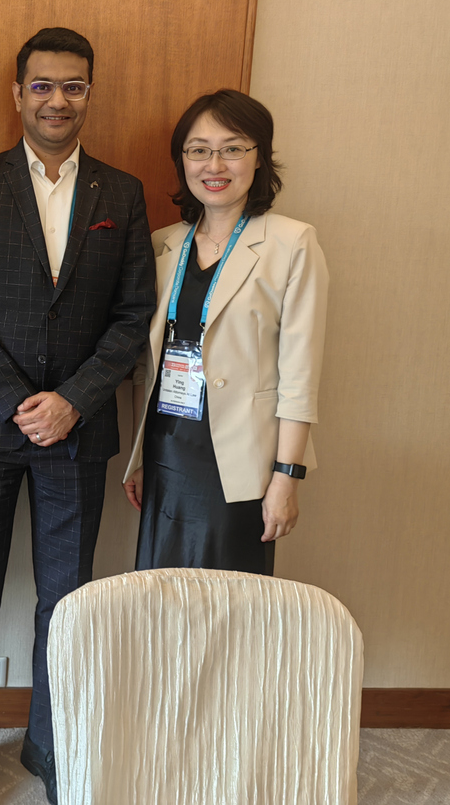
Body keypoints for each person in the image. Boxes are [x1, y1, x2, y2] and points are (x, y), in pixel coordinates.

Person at [0, 27, 156, 805]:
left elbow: (133, 314)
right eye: (43, 85)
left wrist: (73, 400)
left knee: (66, 599)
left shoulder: (121, 193)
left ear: (90, 92)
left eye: (73, 86)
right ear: (18, 92)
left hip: (78, 430)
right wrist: (14, 399)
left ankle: (49, 743)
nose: (58, 100)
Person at [122, 89, 329, 574]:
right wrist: (138, 455)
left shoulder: (292, 243)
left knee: (227, 602)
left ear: (259, 157)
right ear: (182, 161)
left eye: (232, 148)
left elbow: (300, 374)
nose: (214, 165)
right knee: (162, 596)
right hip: (167, 449)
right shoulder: (162, 245)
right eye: (199, 150)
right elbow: (147, 365)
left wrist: (287, 476)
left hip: (240, 462)